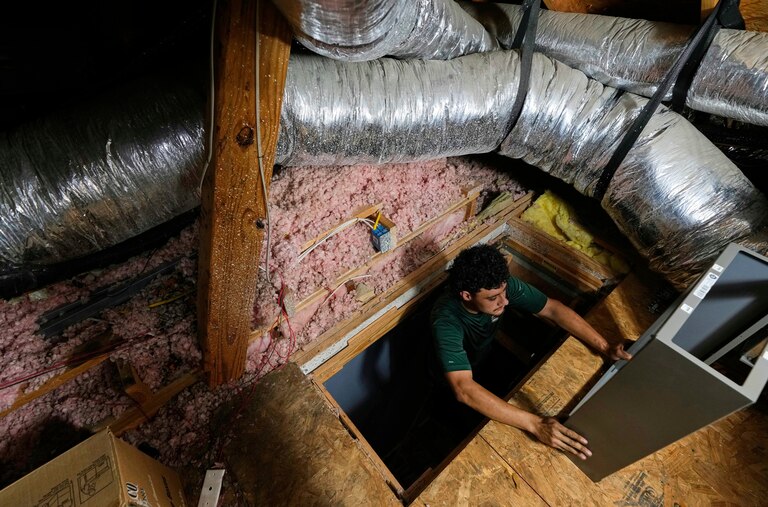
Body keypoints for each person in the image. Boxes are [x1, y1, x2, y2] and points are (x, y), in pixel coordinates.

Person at [430, 244, 631, 460]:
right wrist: (535, 424)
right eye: (493, 298)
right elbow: (464, 389)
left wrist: (604, 347)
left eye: (504, 291)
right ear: (467, 296)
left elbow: (554, 309)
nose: (505, 301)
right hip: (443, 376)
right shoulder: (446, 320)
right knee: (447, 408)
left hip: (481, 357)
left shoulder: (500, 289)